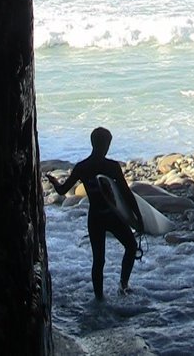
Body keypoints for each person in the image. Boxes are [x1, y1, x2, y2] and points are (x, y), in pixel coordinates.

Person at [47, 126, 143, 300]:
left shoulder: (82, 167)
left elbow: (62, 191)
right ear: (106, 144)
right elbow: (125, 193)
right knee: (131, 246)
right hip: (112, 215)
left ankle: (99, 299)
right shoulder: (112, 166)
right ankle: (123, 286)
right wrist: (138, 217)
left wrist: (54, 182)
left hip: (96, 216)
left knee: (99, 260)